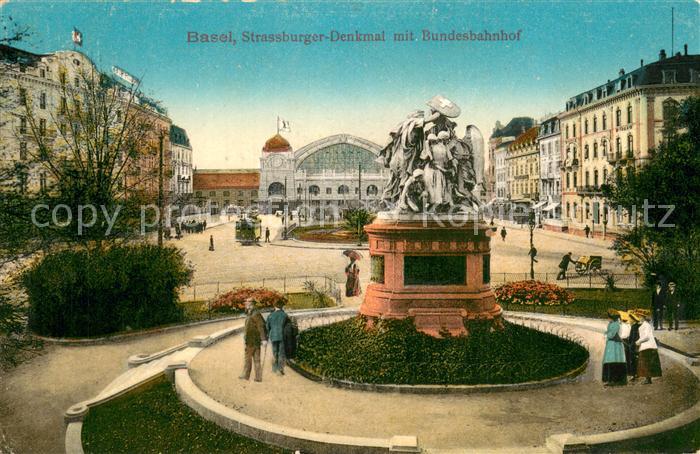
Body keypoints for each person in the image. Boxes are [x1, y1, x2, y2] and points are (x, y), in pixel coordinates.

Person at [239, 298, 268, 382]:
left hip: (252, 340)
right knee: (256, 359)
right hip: (254, 340)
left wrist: (263, 339)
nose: (245, 304)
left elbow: (261, 326)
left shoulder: (255, 314)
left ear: (251, 304)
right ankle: (258, 377)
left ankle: (246, 375)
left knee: (248, 358)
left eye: (247, 303)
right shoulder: (252, 312)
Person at [602, 309, 627, 386]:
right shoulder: (611, 323)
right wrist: (606, 334)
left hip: (615, 345)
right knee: (610, 360)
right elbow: (607, 332)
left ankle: (614, 380)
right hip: (611, 344)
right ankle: (610, 379)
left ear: (612, 317)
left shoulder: (616, 324)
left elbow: (611, 335)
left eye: (609, 317)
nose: (608, 318)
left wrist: (606, 335)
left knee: (614, 359)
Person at [635, 313, 662, 384]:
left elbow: (646, 336)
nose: (639, 318)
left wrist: (639, 341)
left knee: (646, 363)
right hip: (646, 346)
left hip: (647, 346)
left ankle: (648, 379)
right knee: (647, 363)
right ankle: (648, 378)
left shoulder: (646, 325)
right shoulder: (644, 325)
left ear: (643, 318)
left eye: (640, 317)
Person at [266, 301, 288, 375]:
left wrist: (268, 335)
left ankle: (274, 368)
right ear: (281, 306)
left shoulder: (270, 315)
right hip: (282, 336)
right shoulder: (285, 315)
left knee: (275, 352)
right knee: (281, 353)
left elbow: (267, 327)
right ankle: (280, 369)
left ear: (275, 306)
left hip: (273, 336)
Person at [620, 311, 640, 381]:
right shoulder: (632, 326)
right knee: (630, 358)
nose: (629, 320)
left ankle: (633, 374)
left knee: (631, 359)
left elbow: (633, 337)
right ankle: (632, 373)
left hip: (631, 344)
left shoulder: (633, 327)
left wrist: (631, 345)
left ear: (633, 320)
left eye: (630, 319)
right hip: (630, 343)